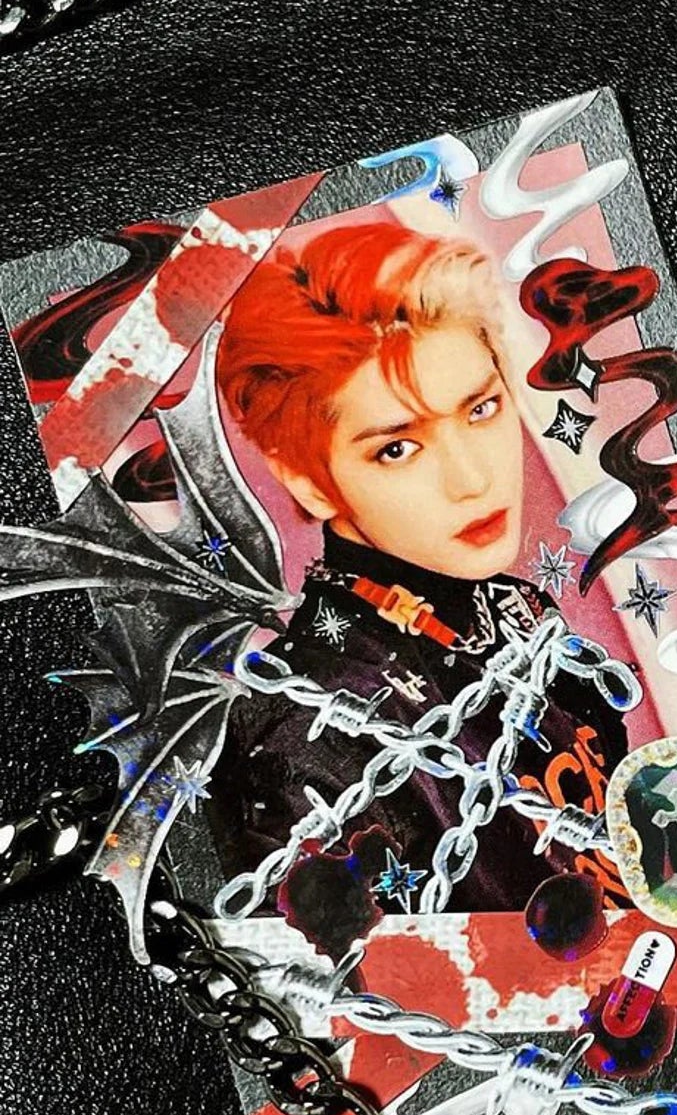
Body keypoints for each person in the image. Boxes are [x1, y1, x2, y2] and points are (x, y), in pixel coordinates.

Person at [205, 221, 630, 942]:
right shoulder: (300, 726)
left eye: (481, 409)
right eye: (399, 448)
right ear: (307, 478)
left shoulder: (520, 610)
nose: (472, 479)